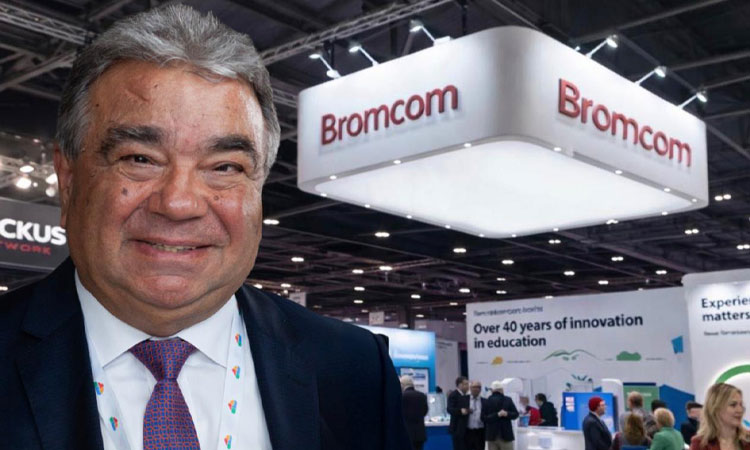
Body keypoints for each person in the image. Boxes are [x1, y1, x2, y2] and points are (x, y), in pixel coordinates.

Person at [0, 5, 411, 450]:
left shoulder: (353, 367)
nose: (179, 204)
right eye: (140, 158)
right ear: (69, 181)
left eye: (225, 166)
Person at [690, 383, 750, 450]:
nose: (740, 410)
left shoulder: (748, 439)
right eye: (733, 405)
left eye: (741, 405)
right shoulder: (699, 443)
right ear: (716, 409)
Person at [483, 380, 519, 450]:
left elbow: (484, 418)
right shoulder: (508, 400)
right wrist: (506, 413)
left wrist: (497, 415)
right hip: (506, 436)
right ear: (502, 390)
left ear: (492, 390)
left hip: (491, 436)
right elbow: (516, 414)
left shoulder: (487, 401)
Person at [401, 376, 429, 450]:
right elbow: (425, 411)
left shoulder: (402, 396)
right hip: (420, 433)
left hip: (406, 433)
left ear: (403, 385)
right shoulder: (422, 396)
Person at [448, 376, 471, 450]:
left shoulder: (468, 396)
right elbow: (450, 409)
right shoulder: (453, 395)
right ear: (460, 385)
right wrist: (460, 411)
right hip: (457, 428)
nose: (468, 386)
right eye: (466, 384)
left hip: (467, 428)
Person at [465, 381, 486, 450]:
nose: (476, 389)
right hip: (467, 431)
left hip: (480, 432)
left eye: (478, 387)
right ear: (470, 388)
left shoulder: (485, 401)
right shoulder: (464, 399)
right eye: (474, 387)